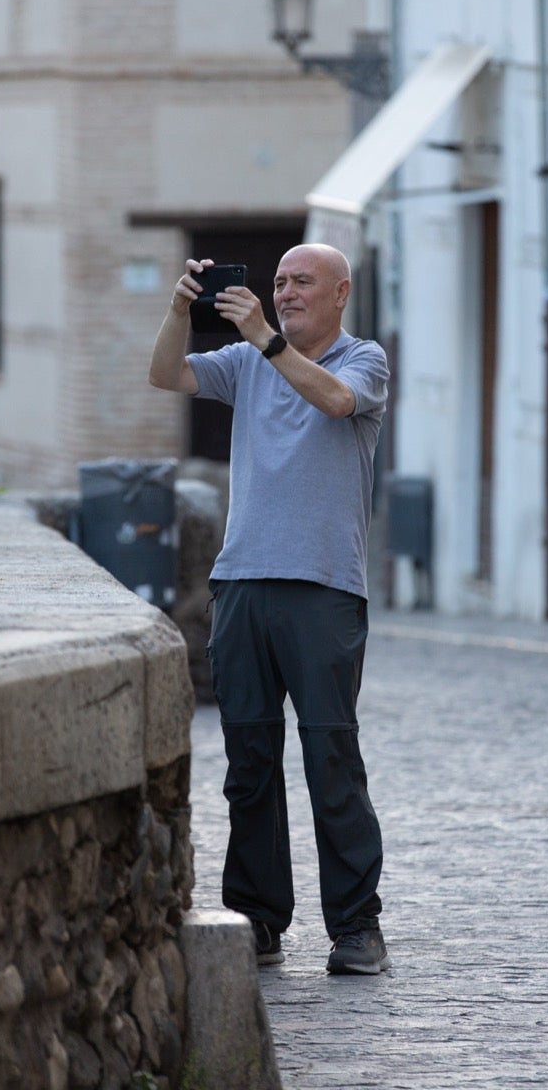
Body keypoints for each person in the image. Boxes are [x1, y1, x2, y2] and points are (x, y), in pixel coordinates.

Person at [147, 244, 392, 975]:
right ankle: (258, 920)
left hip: (323, 589)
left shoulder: (363, 358)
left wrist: (265, 338)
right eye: (279, 282)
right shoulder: (247, 362)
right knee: (249, 765)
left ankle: (355, 927)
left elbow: (335, 401)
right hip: (243, 583)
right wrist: (177, 310)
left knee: (331, 758)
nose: (285, 293)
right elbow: (167, 374)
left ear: (340, 293)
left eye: (301, 283)